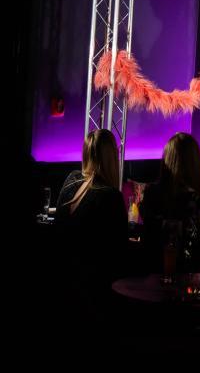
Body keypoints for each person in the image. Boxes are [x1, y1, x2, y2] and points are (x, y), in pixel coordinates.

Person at [55, 129, 128, 330]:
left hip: (62, 284)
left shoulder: (71, 180)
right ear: (112, 157)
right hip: (92, 293)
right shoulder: (111, 197)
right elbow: (119, 254)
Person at [140, 132, 200, 273]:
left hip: (150, 274)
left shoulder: (151, 195)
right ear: (195, 165)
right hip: (190, 280)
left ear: (166, 161)